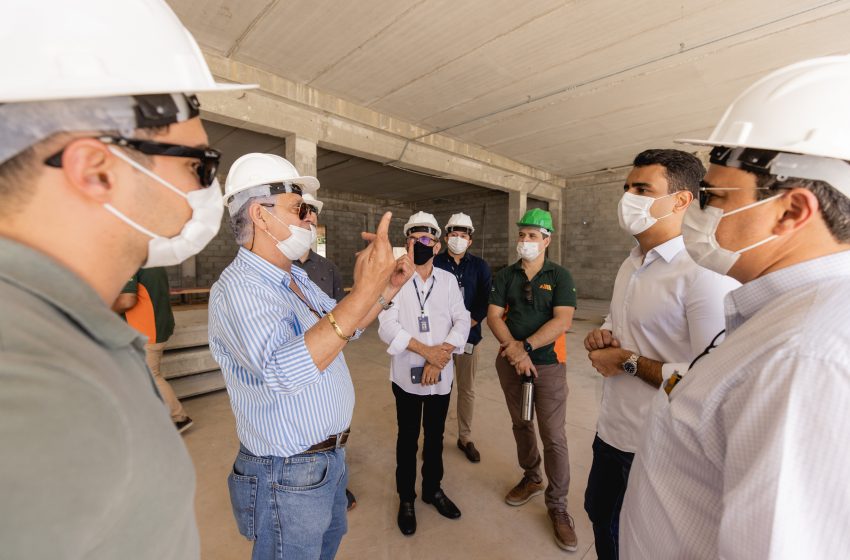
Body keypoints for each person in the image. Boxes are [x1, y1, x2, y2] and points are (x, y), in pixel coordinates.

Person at [0, 1, 248, 557]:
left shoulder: (60, 332)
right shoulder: (35, 390)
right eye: (199, 166)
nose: (208, 188)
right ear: (98, 170)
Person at [620, 55, 850, 559]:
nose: (702, 211)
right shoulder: (784, 318)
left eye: (715, 195)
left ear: (791, 211)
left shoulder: (804, 358)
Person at [209, 153, 412, 559]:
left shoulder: (295, 277)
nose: (310, 220)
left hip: (325, 463)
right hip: (285, 474)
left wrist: (382, 290)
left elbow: (342, 330)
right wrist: (363, 289)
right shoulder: (240, 289)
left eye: (310, 211)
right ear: (260, 215)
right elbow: (285, 370)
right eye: (300, 208)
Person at [582, 149, 738, 560]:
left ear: (681, 200)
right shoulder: (630, 265)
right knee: (600, 517)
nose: (628, 198)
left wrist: (628, 362)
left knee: (634, 543)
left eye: (641, 189)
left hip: (658, 446)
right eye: (627, 188)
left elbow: (712, 381)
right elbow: (622, 327)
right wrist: (604, 336)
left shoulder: (704, 274)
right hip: (610, 432)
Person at [487, 208, 578, 552]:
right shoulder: (506, 275)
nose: (525, 241)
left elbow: (563, 320)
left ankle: (558, 505)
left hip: (549, 366)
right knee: (521, 424)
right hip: (511, 364)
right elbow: (493, 315)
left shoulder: (559, 276)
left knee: (554, 435)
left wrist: (524, 347)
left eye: (532, 235)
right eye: (522, 234)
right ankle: (532, 477)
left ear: (547, 240)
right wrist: (512, 350)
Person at [378, 211, 471, 536]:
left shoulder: (447, 281)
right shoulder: (395, 279)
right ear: (407, 242)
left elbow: (462, 319)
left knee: (435, 438)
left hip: (440, 377)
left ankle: (433, 489)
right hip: (405, 377)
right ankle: (407, 498)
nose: (421, 243)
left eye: (428, 238)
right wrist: (425, 351)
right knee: (407, 439)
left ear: (438, 244)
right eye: (415, 238)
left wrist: (439, 355)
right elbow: (386, 326)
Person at [295, 191, 357, 511]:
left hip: (331, 353)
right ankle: (308, 482)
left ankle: (336, 483)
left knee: (334, 422)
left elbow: (340, 312)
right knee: (305, 424)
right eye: (302, 219)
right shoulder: (277, 268)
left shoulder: (327, 268)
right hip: (298, 357)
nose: (308, 226)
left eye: (313, 223)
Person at [434, 212, 492, 463]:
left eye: (463, 235)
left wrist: (465, 326)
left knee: (466, 390)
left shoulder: (480, 266)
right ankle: (433, 438)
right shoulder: (435, 262)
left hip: (469, 337)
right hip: (438, 340)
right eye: (454, 235)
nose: (458, 239)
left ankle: (465, 437)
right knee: (438, 389)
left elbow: (484, 300)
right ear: (446, 237)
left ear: (470, 240)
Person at [113, 267, 195, 433]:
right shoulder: (154, 260)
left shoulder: (132, 262)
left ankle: (178, 418)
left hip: (145, 329)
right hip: (156, 326)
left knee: (150, 376)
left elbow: (127, 300)